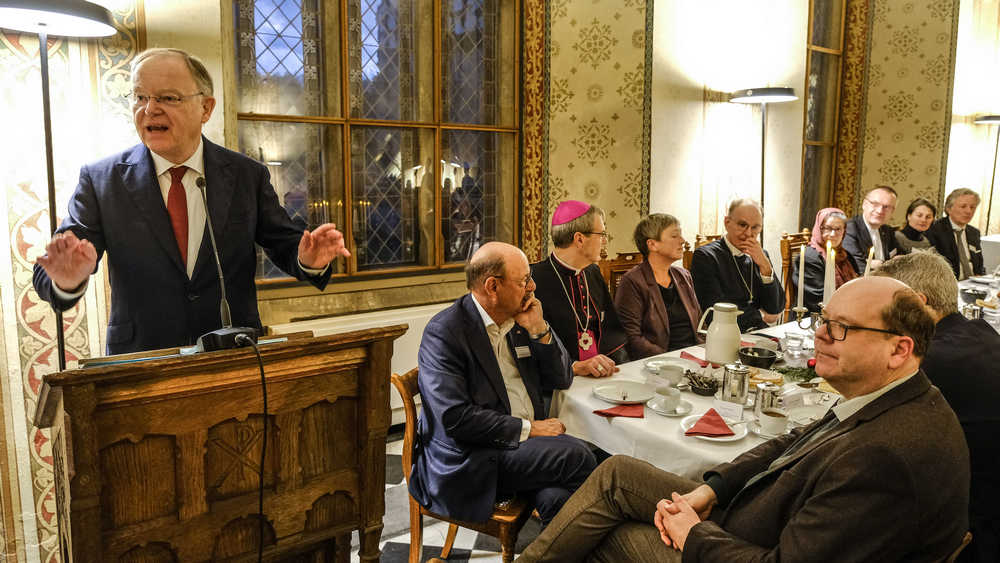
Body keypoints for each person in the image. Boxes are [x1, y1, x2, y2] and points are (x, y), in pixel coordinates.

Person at [517, 276, 970, 563]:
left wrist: (694, 536)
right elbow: (787, 443)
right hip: (751, 518)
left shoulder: (885, 456)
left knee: (604, 536)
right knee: (616, 474)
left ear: (899, 349)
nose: (821, 336)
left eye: (841, 328)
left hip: (749, 545)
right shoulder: (887, 396)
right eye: (822, 320)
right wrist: (711, 489)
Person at [32, 48, 349, 355]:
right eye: (140, 97)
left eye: (168, 98)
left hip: (232, 357)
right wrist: (66, 279)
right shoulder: (102, 180)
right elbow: (55, 268)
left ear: (206, 109)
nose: (150, 109)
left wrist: (310, 259)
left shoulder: (245, 175)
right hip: (144, 362)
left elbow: (284, 242)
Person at [409, 242, 596, 526]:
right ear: (492, 287)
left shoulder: (519, 320)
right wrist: (530, 429)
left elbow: (562, 377)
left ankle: (550, 549)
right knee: (578, 456)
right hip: (474, 457)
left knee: (556, 496)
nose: (532, 286)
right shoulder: (445, 333)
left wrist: (539, 329)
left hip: (518, 446)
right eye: (523, 281)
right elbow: (455, 418)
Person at [875, 252, 999, 563]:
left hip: (965, 527)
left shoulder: (929, 361)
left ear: (917, 303)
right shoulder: (983, 333)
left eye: (879, 307)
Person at [531, 201, 628, 378]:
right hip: (561, 379)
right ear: (580, 239)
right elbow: (533, 345)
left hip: (602, 372)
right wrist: (574, 366)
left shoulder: (592, 271)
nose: (605, 241)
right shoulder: (533, 279)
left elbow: (611, 329)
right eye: (601, 234)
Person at [614, 214, 702, 359]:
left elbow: (699, 325)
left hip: (693, 357)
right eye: (675, 236)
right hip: (658, 362)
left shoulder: (684, 276)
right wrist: (672, 359)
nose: (682, 241)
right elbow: (631, 337)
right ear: (652, 244)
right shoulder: (632, 281)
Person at [689, 198, 784, 332]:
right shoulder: (706, 257)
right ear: (727, 223)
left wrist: (765, 267)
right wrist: (761, 315)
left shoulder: (761, 255)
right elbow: (717, 313)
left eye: (755, 227)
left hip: (759, 332)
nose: (749, 234)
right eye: (742, 225)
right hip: (724, 334)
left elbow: (775, 308)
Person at [790, 207, 859, 312]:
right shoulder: (809, 258)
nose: (833, 234)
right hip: (812, 317)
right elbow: (817, 298)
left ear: (844, 231)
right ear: (819, 228)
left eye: (838, 229)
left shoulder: (845, 255)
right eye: (827, 228)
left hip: (845, 311)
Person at [927, 188, 985, 280]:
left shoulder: (974, 233)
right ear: (949, 208)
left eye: (972, 207)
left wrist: (980, 277)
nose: (968, 211)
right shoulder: (935, 230)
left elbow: (980, 266)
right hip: (948, 284)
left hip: (973, 285)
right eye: (963, 206)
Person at [843, 184, 898, 268]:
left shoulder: (887, 231)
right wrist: (887, 265)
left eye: (886, 207)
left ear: (892, 211)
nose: (880, 211)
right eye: (875, 204)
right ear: (864, 204)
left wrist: (879, 264)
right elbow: (857, 266)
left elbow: (901, 259)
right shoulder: (850, 229)